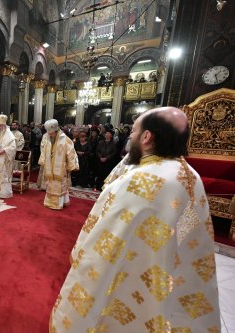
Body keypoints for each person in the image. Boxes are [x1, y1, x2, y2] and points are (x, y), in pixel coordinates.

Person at [50, 107, 220, 332]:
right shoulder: (190, 174)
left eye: (135, 132)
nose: (130, 136)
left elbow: (104, 238)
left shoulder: (138, 180)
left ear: (147, 137)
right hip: (173, 274)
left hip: (135, 276)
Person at [38, 119, 78, 210]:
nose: (50, 135)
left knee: (60, 185)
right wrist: (43, 160)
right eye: (49, 133)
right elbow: (43, 150)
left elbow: (71, 152)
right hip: (49, 166)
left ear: (57, 131)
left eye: (52, 133)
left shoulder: (66, 140)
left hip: (61, 168)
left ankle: (60, 203)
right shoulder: (47, 138)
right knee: (50, 185)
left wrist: (71, 165)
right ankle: (49, 202)